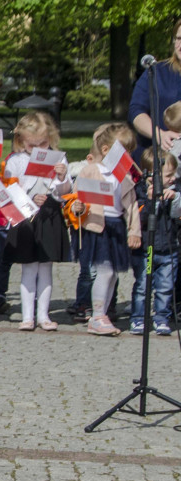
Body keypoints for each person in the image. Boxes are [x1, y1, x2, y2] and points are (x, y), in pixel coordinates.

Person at [3, 112, 73, 331]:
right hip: (27, 216)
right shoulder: (15, 160)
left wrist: (61, 179)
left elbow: (65, 193)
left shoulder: (58, 158)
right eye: (33, 145)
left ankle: (43, 314)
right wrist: (29, 196)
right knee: (28, 268)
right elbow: (10, 191)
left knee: (46, 268)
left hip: (49, 215)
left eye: (43, 143)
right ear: (21, 142)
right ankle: (27, 316)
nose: (39, 149)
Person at [72, 127, 142, 336]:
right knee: (106, 271)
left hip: (116, 227)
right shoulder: (91, 170)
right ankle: (97, 315)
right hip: (97, 227)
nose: (129, 158)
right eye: (125, 153)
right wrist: (79, 207)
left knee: (112, 275)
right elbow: (77, 198)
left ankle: (102, 313)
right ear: (105, 150)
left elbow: (131, 205)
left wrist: (134, 231)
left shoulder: (124, 177)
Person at [130, 148, 178, 335]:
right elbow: (138, 217)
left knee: (165, 287)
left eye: (174, 174)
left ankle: (162, 318)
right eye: (168, 175)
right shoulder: (140, 191)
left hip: (169, 248)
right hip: (146, 249)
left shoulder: (174, 189)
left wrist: (174, 199)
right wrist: (151, 201)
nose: (173, 179)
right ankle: (138, 318)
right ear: (151, 176)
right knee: (143, 286)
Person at [128, 17, 181, 153]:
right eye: (179, 39)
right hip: (156, 157)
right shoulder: (156, 72)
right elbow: (136, 111)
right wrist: (160, 135)